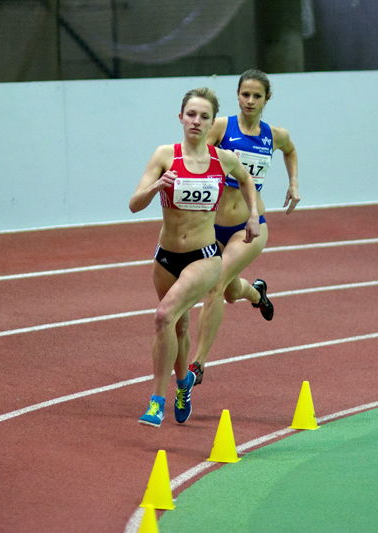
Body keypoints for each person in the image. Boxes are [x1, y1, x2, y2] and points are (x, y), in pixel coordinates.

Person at [129, 87, 260, 428]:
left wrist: (253, 216)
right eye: (191, 115)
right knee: (178, 324)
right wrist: (157, 186)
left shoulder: (223, 159)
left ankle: (156, 401)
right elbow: (134, 204)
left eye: (204, 116)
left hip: (204, 257)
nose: (197, 121)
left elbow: (247, 181)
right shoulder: (164, 156)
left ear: (210, 121)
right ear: (181, 118)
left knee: (163, 316)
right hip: (165, 258)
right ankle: (184, 383)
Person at [189, 69, 300, 385]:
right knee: (229, 290)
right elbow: (199, 157)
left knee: (215, 283)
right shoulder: (222, 127)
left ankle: (198, 364)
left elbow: (290, 151)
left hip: (250, 226)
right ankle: (258, 294)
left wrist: (293, 184)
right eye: (245, 94)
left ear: (267, 99)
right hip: (212, 227)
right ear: (237, 96)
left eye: (256, 96)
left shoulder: (274, 135)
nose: (250, 101)